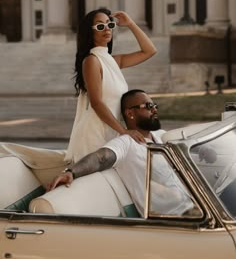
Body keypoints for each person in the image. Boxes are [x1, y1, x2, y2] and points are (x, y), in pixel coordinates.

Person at [48, 90, 194, 217]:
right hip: (175, 217)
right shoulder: (126, 143)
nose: (154, 110)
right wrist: (71, 172)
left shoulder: (161, 136)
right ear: (130, 113)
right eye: (149, 106)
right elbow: (101, 158)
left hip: (196, 205)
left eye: (155, 105)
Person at [66, 9, 157, 163]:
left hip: (111, 130)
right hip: (94, 133)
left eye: (110, 24)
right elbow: (96, 102)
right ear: (90, 32)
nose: (107, 29)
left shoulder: (112, 61)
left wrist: (130, 24)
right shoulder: (91, 61)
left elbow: (150, 51)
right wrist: (124, 131)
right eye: (100, 26)